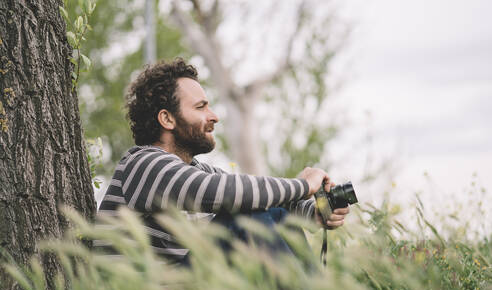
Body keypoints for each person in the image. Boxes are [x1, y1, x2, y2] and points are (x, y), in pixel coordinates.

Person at [97, 58, 349, 264]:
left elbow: (262, 199)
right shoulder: (143, 165)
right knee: (245, 213)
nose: (214, 116)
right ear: (167, 119)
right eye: (200, 107)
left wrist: (313, 213)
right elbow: (230, 194)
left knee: (270, 209)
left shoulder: (196, 170)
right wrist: (303, 186)